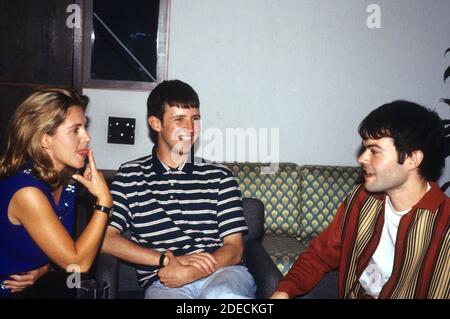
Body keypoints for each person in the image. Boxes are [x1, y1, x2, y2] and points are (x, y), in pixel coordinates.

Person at [271, 100, 449, 299]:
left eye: (374, 151)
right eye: (365, 148)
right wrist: (285, 290)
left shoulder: (444, 225)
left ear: (412, 159)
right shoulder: (361, 199)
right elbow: (320, 255)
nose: (362, 158)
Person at [101, 79, 256, 299]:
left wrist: (192, 271)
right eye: (179, 119)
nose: (190, 129)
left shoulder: (220, 176)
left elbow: (235, 248)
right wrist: (165, 259)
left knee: (222, 295)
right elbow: (105, 239)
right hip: (165, 280)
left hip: (223, 274)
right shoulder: (129, 176)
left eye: (195, 119)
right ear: (156, 123)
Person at [0, 87, 112, 298]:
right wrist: (103, 201)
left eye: (85, 127)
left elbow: (59, 250)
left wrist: (44, 268)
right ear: (45, 139)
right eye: (75, 129)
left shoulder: (67, 181)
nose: (87, 137)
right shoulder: (27, 192)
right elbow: (77, 263)